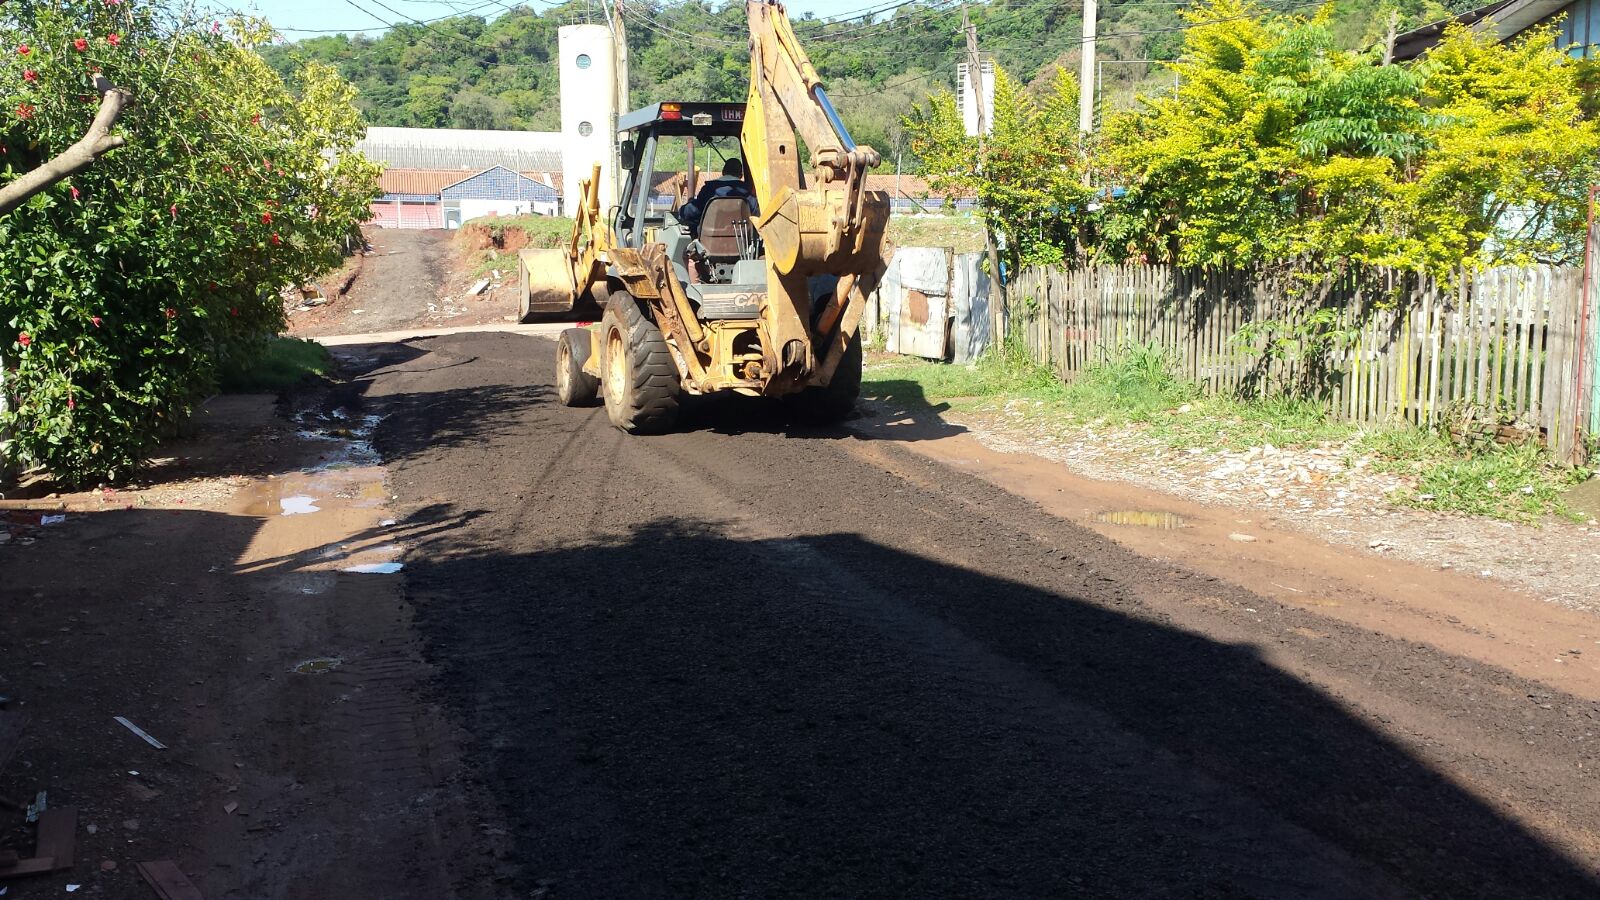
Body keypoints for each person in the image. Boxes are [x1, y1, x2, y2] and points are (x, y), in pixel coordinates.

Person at [678, 157, 756, 236]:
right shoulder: (749, 193)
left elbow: (694, 211)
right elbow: (755, 214)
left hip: (709, 241)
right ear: (741, 175)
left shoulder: (709, 189)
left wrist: (683, 210)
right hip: (742, 242)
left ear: (723, 172)